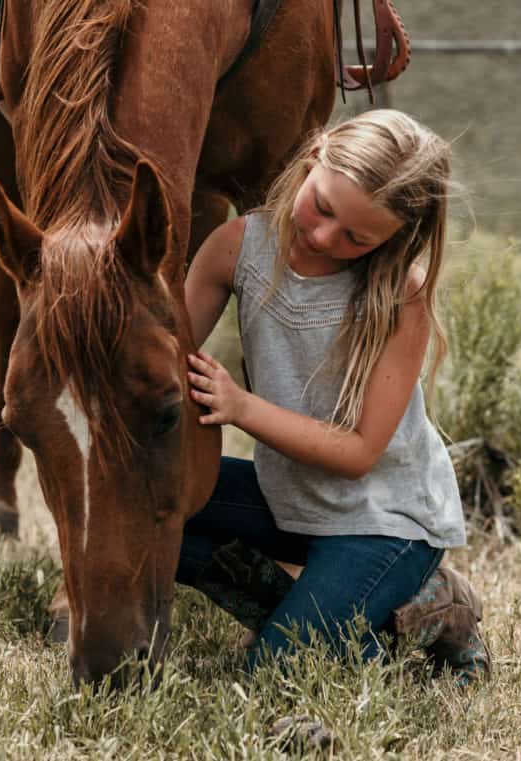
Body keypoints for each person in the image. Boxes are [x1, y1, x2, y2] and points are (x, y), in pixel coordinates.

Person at [176, 109, 488, 681]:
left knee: (274, 671)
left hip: (383, 520)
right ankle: (324, 611)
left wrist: (242, 408)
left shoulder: (400, 295)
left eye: (356, 237)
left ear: (396, 237)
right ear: (315, 153)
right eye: (321, 206)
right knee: (150, 503)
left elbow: (359, 454)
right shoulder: (235, 248)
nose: (323, 236)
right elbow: (164, 357)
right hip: (288, 496)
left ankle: (434, 610)